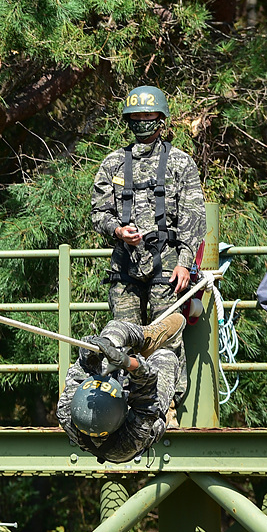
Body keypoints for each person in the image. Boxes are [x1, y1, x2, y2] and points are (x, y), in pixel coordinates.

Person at [91, 86, 206, 410]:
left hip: (168, 268)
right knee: (121, 337)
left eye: (148, 116)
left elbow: (194, 219)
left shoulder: (180, 163)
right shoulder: (113, 163)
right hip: (125, 266)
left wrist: (184, 263)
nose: (142, 121)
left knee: (164, 339)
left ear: (160, 119)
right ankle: (122, 407)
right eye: (136, 117)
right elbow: (98, 212)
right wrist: (116, 229)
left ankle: (165, 406)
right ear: (128, 120)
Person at [56, 314, 186, 463]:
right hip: (146, 416)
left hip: (115, 416)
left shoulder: (66, 412)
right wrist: (127, 362)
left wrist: (96, 349)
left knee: (107, 343)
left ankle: (145, 338)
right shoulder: (131, 439)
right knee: (165, 357)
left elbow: (82, 366)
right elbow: (147, 388)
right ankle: (139, 350)